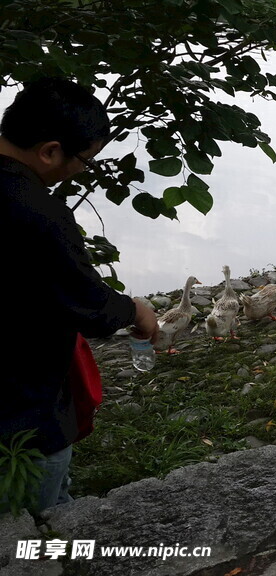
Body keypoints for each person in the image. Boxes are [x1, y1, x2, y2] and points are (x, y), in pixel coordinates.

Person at [0, 77, 158, 512]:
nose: (83, 169)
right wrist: (136, 310)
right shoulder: (37, 213)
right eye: (86, 160)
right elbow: (88, 304)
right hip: (20, 412)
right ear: (51, 151)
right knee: (33, 518)